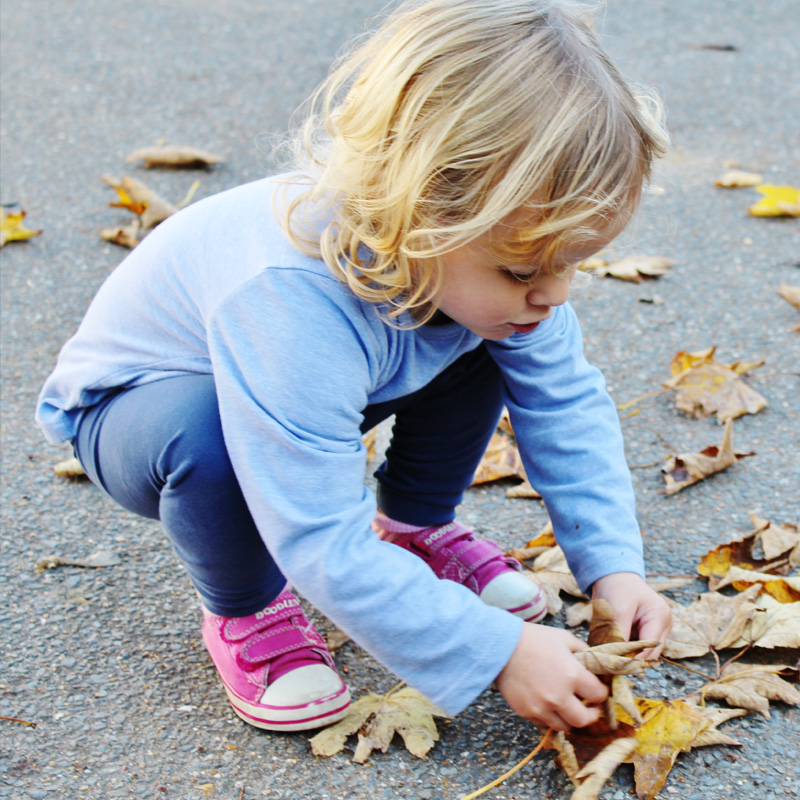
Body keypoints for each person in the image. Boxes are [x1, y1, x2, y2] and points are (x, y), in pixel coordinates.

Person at [36, 0, 673, 735]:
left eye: (573, 265)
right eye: (524, 266)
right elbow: (316, 529)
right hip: (140, 412)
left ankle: (414, 528)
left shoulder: (479, 275)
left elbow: (565, 406)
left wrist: (613, 569)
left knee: (490, 333)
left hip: (312, 380)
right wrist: (492, 650)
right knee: (208, 441)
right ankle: (245, 608)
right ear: (418, 212)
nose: (556, 293)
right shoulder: (288, 296)